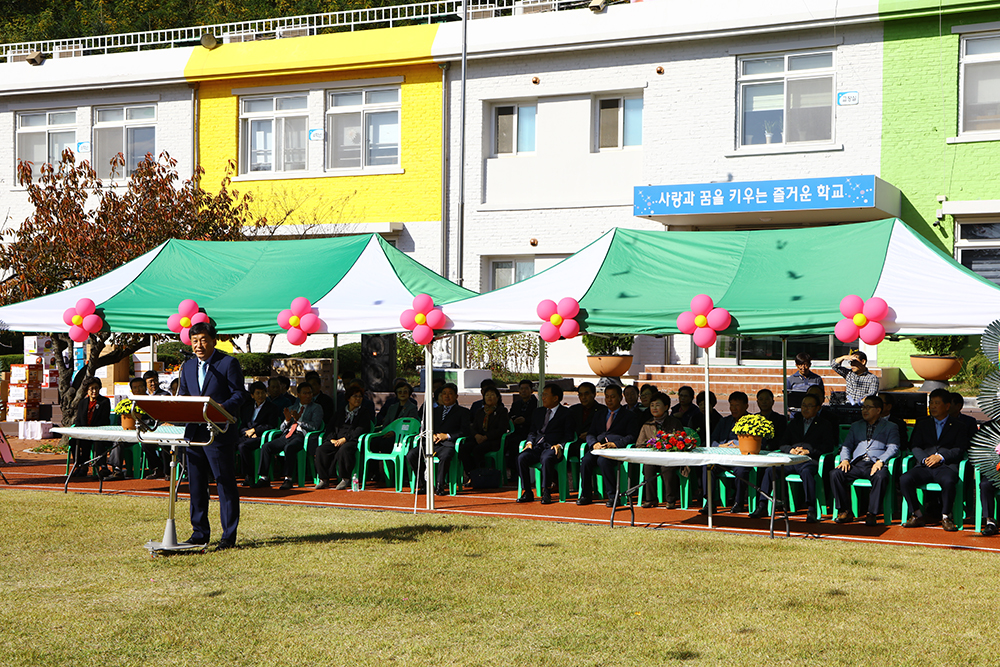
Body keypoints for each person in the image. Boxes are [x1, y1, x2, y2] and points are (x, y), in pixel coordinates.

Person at [178, 322, 248, 550]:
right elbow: (184, 396)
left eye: (203, 340)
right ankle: (200, 532)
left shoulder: (227, 363)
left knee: (224, 483)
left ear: (213, 340)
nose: (199, 345)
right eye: (195, 341)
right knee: (196, 484)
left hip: (218, 433)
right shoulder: (187, 367)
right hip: (194, 433)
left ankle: (228, 536)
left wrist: (221, 408)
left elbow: (239, 395)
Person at [749, 394, 836, 522]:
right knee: (769, 470)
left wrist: (809, 451)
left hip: (808, 460)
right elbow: (782, 443)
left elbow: (828, 446)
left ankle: (811, 508)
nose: (805, 409)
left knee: (807, 472)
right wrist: (790, 450)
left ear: (817, 408)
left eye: (809, 406)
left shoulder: (824, 425)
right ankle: (762, 505)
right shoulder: (794, 423)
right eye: (803, 406)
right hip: (790, 460)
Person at [900, 389, 968, 531]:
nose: (933, 406)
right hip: (925, 466)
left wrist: (941, 457)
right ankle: (917, 514)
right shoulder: (922, 423)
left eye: (937, 403)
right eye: (931, 403)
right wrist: (924, 459)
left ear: (947, 406)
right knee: (904, 479)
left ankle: (945, 517)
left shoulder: (959, 426)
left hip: (946, 466)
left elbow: (959, 449)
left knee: (949, 481)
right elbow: (915, 445)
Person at [831, 395, 900, 526]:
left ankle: (872, 513)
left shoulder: (890, 426)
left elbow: (894, 448)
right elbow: (846, 445)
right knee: (835, 474)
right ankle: (845, 511)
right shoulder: (856, 426)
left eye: (868, 407)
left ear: (878, 410)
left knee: (881, 477)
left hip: (875, 463)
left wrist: (881, 461)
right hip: (857, 463)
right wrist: (845, 459)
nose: (864, 410)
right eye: (863, 407)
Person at [252, 382, 323, 490]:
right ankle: (264, 477)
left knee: (289, 448)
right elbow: (281, 429)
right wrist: (287, 420)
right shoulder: (292, 407)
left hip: (301, 436)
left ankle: (288, 479)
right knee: (266, 446)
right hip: (287, 435)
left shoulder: (316, 408)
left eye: (310, 393)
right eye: (305, 393)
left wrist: (299, 420)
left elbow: (315, 426)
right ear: (298, 395)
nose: (308, 396)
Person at [404, 382, 471, 495]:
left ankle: (440, 485)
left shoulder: (463, 412)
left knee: (445, 456)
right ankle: (425, 484)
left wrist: (447, 436)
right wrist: (431, 435)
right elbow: (424, 428)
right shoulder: (434, 412)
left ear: (456, 396)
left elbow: (465, 431)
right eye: (444, 393)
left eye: (450, 393)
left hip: (448, 444)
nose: (447, 396)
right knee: (412, 455)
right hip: (431, 443)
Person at [578, 385, 638, 507]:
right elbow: (591, 433)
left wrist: (615, 444)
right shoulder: (599, 414)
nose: (609, 400)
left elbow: (632, 436)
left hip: (615, 450)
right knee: (586, 460)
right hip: (599, 447)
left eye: (613, 397)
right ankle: (586, 494)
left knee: (603, 461)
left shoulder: (629, 415)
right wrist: (594, 444)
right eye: (607, 397)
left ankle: (613, 496)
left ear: (620, 398)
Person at [516, 383, 573, 504]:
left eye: (546, 395)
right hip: (537, 446)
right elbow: (532, 430)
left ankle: (546, 491)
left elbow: (569, 435)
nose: (543, 398)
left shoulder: (566, 413)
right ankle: (527, 491)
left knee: (547, 458)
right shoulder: (538, 412)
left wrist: (560, 445)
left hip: (553, 446)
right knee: (522, 457)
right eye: (542, 395)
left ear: (555, 398)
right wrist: (529, 442)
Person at [315, 385, 375, 490]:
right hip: (337, 439)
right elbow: (331, 426)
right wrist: (332, 439)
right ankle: (323, 479)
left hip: (352, 440)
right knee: (321, 450)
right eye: (355, 396)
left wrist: (345, 439)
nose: (358, 399)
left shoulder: (364, 412)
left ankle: (345, 478)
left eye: (360, 397)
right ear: (348, 398)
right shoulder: (340, 411)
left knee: (344, 449)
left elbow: (360, 429)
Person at [702, 391, 752, 514]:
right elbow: (712, 440)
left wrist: (741, 447)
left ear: (746, 406)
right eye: (731, 405)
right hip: (723, 457)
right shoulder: (724, 421)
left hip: (742, 458)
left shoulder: (753, 421)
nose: (733, 409)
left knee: (741, 470)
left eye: (737, 405)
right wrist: (720, 445)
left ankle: (739, 502)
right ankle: (710, 501)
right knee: (707, 466)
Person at [635, 392, 685, 509]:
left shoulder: (674, 422)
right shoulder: (647, 424)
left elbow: (680, 441)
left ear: (666, 407)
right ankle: (651, 499)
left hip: (670, 458)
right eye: (652, 405)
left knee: (667, 468)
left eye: (657, 405)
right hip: (652, 458)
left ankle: (671, 499)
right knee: (648, 467)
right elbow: (639, 444)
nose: (654, 408)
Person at [236, 381, 283, 486]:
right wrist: (246, 432)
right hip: (247, 435)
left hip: (261, 436)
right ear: (252, 395)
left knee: (243, 446)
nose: (260, 396)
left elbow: (271, 425)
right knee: (230, 444)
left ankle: (249, 476)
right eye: (257, 393)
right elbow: (242, 424)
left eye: (262, 393)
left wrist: (255, 431)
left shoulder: (272, 408)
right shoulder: (247, 408)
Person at [68, 378, 111, 478]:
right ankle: (80, 465)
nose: (94, 391)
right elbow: (78, 420)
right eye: (92, 389)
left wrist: (91, 430)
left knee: (96, 442)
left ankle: (102, 466)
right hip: (84, 433)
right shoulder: (82, 403)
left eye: (96, 388)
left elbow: (104, 420)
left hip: (98, 433)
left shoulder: (105, 402)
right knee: (74, 441)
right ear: (87, 390)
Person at [465, 385, 510, 474]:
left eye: (492, 395)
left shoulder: (502, 411)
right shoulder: (480, 411)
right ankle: (471, 474)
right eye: (487, 395)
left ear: (497, 397)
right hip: (479, 439)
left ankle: (482, 474)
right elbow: (473, 427)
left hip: (493, 440)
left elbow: (502, 429)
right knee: (464, 449)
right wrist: (476, 435)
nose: (489, 397)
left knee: (477, 450)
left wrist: (485, 437)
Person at [507, 379, 537, 481]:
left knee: (516, 444)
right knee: (508, 442)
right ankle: (512, 472)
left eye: (526, 389)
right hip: (516, 431)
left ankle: (520, 473)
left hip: (529, 432)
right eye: (521, 389)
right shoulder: (516, 404)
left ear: (532, 390)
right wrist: (513, 420)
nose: (523, 391)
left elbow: (536, 419)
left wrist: (525, 420)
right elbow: (510, 415)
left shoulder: (536, 403)